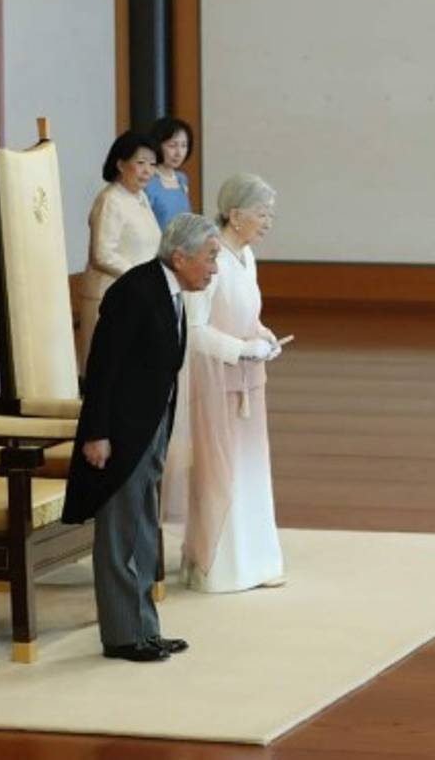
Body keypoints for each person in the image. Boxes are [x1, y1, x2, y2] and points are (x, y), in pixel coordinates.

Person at [62, 214, 220, 661]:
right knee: (120, 536)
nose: (214, 268)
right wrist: (96, 434)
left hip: (149, 430)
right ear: (181, 256)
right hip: (120, 436)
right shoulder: (134, 292)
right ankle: (122, 636)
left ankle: (146, 628)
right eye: (209, 258)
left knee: (143, 533)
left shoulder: (169, 292)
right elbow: (103, 368)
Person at [161, 172, 285, 593]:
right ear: (235, 215)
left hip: (249, 380)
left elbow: (248, 312)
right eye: (261, 213)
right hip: (215, 380)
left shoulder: (247, 258)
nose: (268, 221)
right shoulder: (209, 259)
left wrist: (264, 335)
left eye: (270, 213)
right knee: (220, 472)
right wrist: (241, 350)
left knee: (251, 468)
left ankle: (257, 562)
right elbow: (194, 330)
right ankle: (217, 567)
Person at [75, 132, 162, 373]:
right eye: (140, 163)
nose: (147, 171)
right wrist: (142, 277)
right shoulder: (110, 199)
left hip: (136, 294)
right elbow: (102, 254)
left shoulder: (140, 197)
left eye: (153, 164)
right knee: (104, 368)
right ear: (121, 164)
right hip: (108, 294)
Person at [145, 117, 195, 230]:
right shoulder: (147, 180)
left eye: (184, 145)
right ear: (158, 145)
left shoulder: (182, 179)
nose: (179, 153)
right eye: (172, 145)